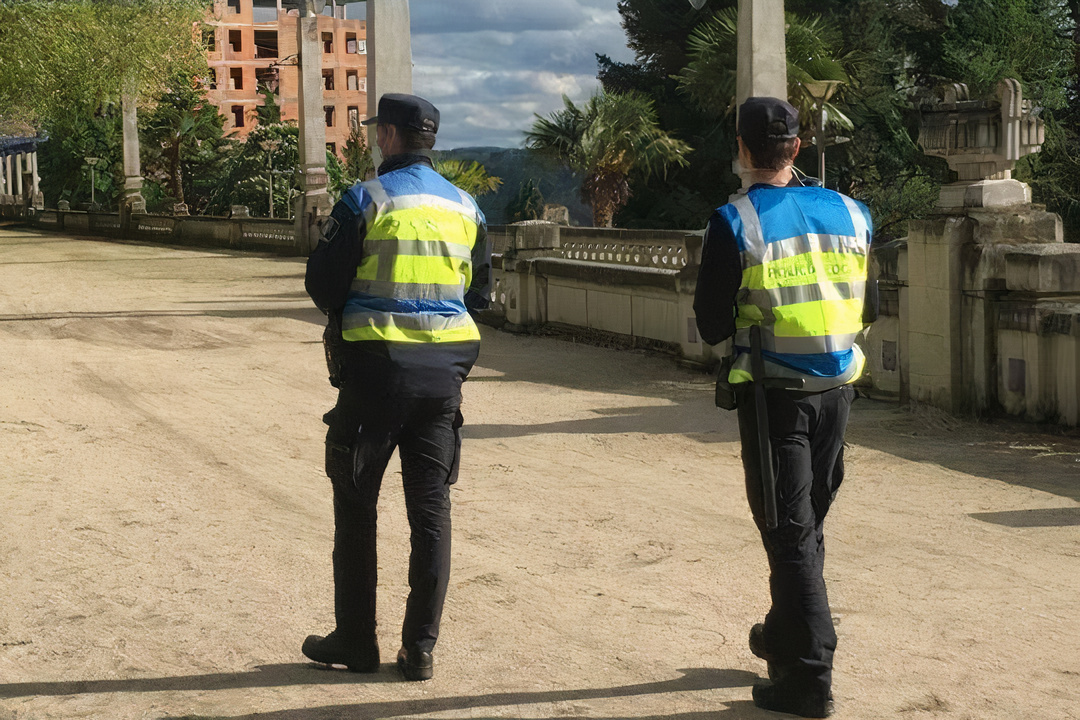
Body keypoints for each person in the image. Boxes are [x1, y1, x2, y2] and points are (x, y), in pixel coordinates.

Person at [694, 97, 876, 718]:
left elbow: (712, 324)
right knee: (805, 526)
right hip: (838, 392)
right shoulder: (853, 214)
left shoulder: (735, 221)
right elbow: (870, 307)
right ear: (797, 148)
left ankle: (809, 674)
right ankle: (781, 635)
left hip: (775, 398)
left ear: (742, 149)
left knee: (789, 532)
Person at [302, 93, 490, 681]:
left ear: (386, 136)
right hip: (442, 384)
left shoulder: (366, 199)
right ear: (428, 139)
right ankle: (420, 649)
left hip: (376, 378)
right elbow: (478, 294)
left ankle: (357, 641)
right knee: (431, 514)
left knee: (357, 507)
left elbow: (323, 285)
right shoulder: (467, 208)